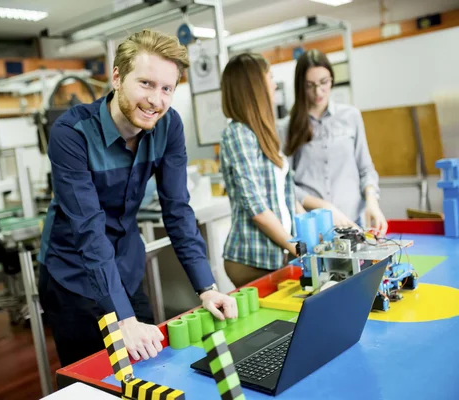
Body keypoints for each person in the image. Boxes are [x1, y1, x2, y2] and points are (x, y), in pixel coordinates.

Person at [38, 29, 237, 367]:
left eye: (166, 89)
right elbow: (88, 228)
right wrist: (121, 319)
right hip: (71, 276)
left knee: (150, 368)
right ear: (117, 77)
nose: (155, 100)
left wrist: (206, 287)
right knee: (94, 381)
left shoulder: (168, 126)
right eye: (145, 83)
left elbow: (177, 210)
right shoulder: (72, 134)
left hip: (126, 270)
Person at [279, 49, 388, 235]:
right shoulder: (286, 127)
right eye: (310, 85)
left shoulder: (351, 116)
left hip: (353, 222)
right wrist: (323, 206)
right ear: (300, 87)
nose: (318, 91)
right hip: (314, 229)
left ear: (332, 79)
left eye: (324, 83)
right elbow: (284, 184)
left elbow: (366, 169)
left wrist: (372, 201)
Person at [219, 53, 303, 288]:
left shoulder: (263, 134)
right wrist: (296, 246)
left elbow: (288, 198)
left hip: (279, 254)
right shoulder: (238, 134)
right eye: (270, 76)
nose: (274, 84)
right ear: (254, 85)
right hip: (253, 259)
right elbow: (256, 208)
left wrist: (315, 233)